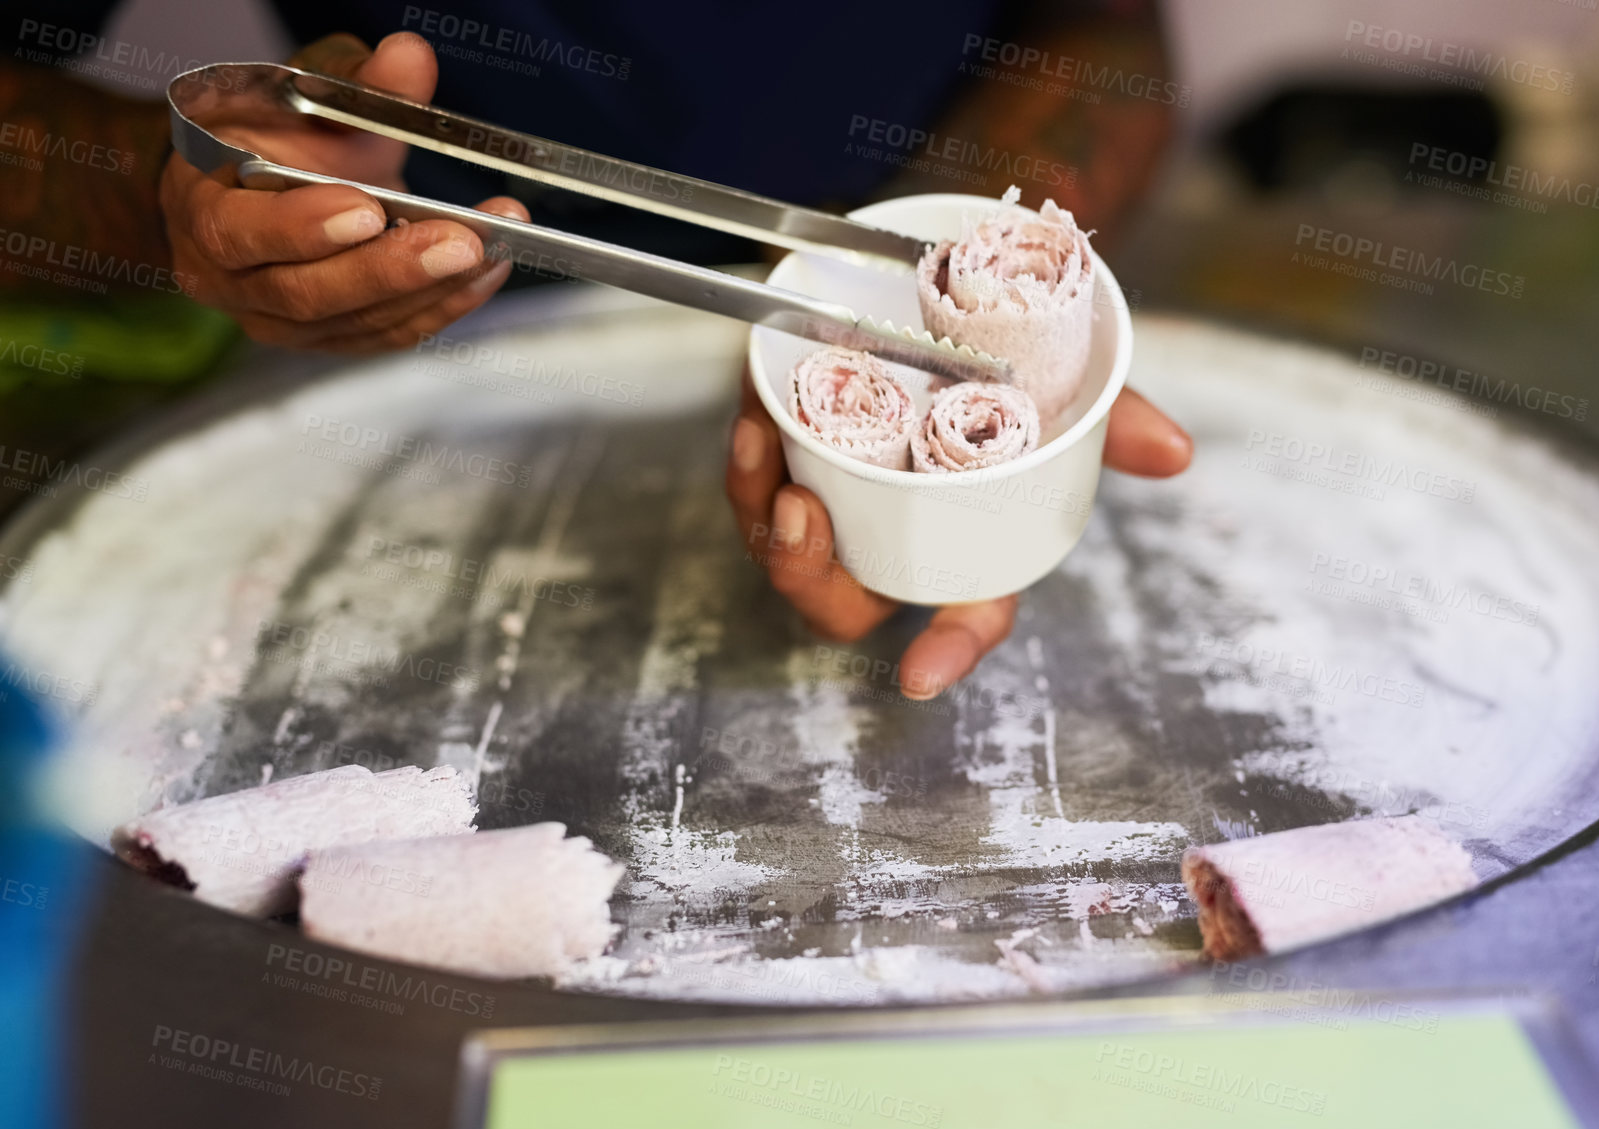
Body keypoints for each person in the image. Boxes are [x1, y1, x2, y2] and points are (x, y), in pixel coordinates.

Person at [0, 3, 1192, 697]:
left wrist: (937, 288)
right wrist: (176, 198)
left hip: (863, 270)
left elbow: (1109, 22)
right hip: (428, 374)